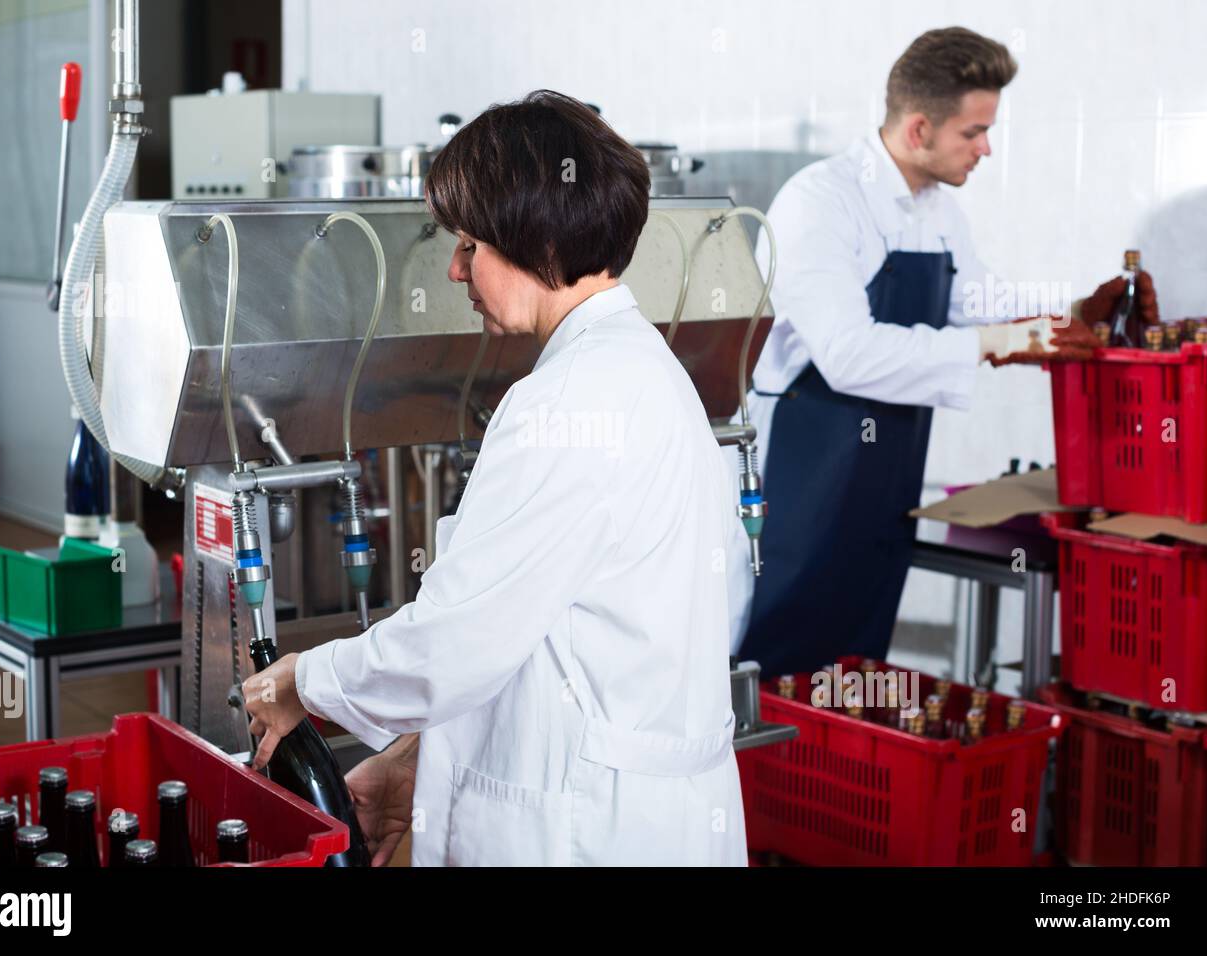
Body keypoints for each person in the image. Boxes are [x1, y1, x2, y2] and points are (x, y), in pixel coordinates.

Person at [244, 90, 746, 867]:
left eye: (470, 243)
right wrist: (415, 764)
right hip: (640, 811)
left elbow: (452, 644)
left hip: (587, 829)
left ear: (535, 240)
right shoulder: (644, 370)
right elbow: (542, 633)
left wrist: (301, 682)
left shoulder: (568, 402)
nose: (454, 268)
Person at [729, 28, 1096, 677]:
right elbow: (848, 354)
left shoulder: (939, 211)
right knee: (779, 660)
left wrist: (1079, 316)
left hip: (885, 482)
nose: (986, 148)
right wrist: (996, 343)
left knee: (856, 666)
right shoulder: (821, 203)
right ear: (920, 128)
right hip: (804, 478)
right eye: (973, 132)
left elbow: (984, 305)